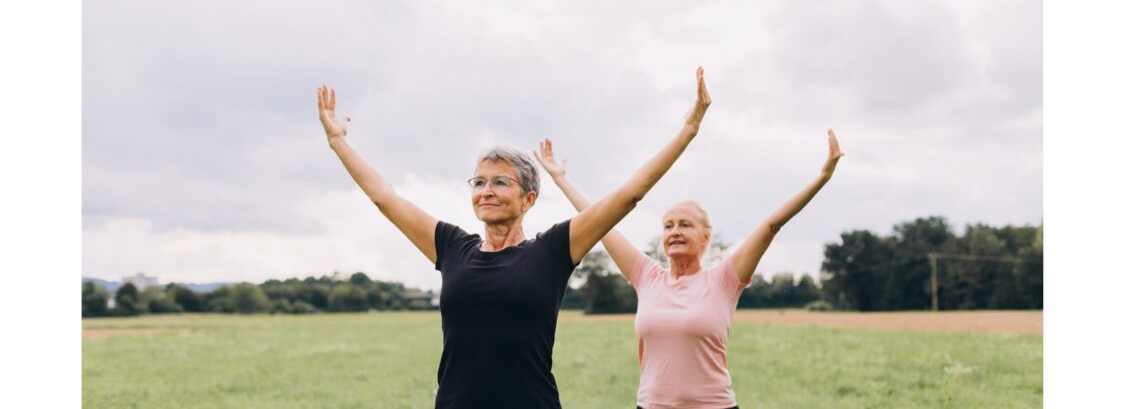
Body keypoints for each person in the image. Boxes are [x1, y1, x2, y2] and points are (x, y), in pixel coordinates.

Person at [316, 67, 712, 409]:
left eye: (500, 182)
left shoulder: (553, 250)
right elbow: (385, 198)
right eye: (479, 182)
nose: (485, 190)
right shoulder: (452, 246)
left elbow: (629, 196)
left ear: (529, 198)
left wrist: (689, 131)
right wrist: (338, 143)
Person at [533, 129, 843, 409]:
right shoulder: (646, 276)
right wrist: (561, 179)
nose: (675, 231)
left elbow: (770, 225)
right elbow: (598, 222)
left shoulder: (724, 280)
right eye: (668, 226)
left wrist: (822, 177)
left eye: (685, 224)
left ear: (706, 237)